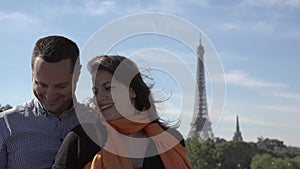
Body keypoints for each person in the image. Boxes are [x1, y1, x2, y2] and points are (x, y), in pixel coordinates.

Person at [52, 55, 192, 169]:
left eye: (108, 88)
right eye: (95, 91)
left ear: (132, 90)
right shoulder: (81, 140)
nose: (100, 98)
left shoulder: (171, 139)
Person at [0, 35, 94, 169]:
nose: (50, 97)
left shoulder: (97, 122)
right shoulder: (5, 125)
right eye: (41, 85)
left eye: (61, 86)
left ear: (78, 74)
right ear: (32, 74)